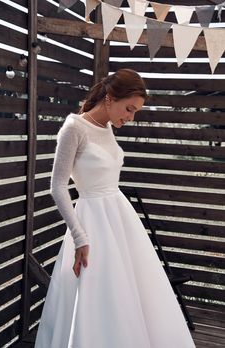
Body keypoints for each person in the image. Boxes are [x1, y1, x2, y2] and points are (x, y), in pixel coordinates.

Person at [34, 69, 196, 348]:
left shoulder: (107, 127)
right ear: (110, 98)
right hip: (91, 223)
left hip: (121, 220)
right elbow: (58, 187)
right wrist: (80, 236)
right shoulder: (73, 128)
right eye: (129, 109)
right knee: (97, 295)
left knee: (132, 294)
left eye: (136, 112)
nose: (131, 117)